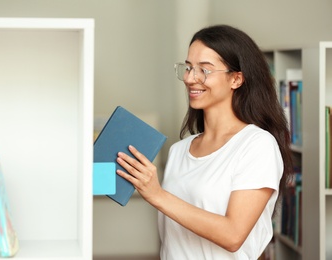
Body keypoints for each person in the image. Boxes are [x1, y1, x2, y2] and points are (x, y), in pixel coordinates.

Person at [116, 24, 292, 259]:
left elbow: (232, 236)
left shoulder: (257, 145)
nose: (190, 78)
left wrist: (157, 195)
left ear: (236, 79)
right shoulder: (180, 151)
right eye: (188, 68)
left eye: (204, 70)